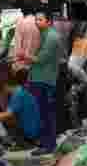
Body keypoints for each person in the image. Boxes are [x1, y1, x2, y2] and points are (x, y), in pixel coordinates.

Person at [22, 10, 64, 156]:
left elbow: (41, 59)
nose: (37, 22)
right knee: (42, 112)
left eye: (40, 20)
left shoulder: (51, 37)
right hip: (39, 78)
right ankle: (46, 142)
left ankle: (48, 145)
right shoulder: (44, 35)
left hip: (44, 80)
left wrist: (25, 56)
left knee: (45, 113)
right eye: (36, 19)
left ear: (48, 21)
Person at [0, 70, 42, 146]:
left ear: (5, 86)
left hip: (30, 131)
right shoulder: (21, 90)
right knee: (4, 118)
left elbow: (7, 115)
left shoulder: (17, 95)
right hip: (35, 127)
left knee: (0, 121)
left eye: (1, 90)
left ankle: (18, 143)